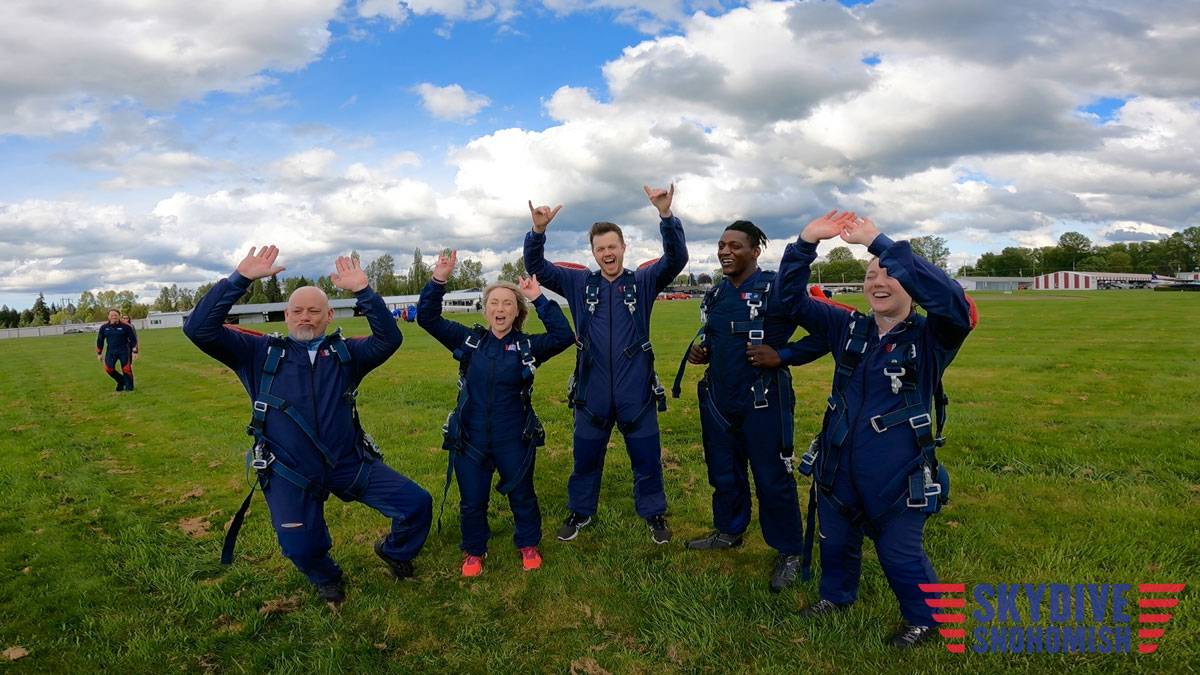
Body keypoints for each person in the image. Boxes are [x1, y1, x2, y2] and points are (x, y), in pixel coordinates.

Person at [183, 246, 432, 606]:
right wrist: (240, 280)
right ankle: (326, 577)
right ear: (286, 315)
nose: (305, 318)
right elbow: (199, 328)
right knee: (299, 544)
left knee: (416, 505)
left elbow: (389, 340)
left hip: (348, 463)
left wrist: (365, 291)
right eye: (297, 311)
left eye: (314, 311)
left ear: (329, 315)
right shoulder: (258, 353)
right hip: (288, 470)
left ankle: (395, 550)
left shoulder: (347, 354)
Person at [778, 211, 976, 648]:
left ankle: (925, 619)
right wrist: (805, 243)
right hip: (839, 460)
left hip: (897, 469)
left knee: (900, 553)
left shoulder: (932, 337)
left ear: (911, 284)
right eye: (871, 275)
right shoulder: (848, 326)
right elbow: (789, 302)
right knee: (835, 537)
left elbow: (954, 302)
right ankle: (836, 596)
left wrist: (880, 244)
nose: (879, 282)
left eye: (891, 275)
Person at [523, 185, 687, 544]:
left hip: (636, 389)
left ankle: (653, 513)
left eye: (613, 246)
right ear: (594, 253)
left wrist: (666, 217)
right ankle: (580, 511)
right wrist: (538, 232)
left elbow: (675, 260)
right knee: (585, 458)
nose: (607, 253)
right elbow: (536, 268)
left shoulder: (642, 281)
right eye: (601, 248)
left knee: (646, 458)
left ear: (624, 248)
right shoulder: (579, 282)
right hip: (591, 389)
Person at [673, 221, 830, 592]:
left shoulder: (779, 290)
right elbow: (714, 337)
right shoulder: (714, 295)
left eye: (735, 246)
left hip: (763, 399)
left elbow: (825, 333)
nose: (725, 251)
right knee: (723, 471)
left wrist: (784, 355)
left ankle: (789, 550)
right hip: (719, 398)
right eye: (721, 245)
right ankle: (729, 530)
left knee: (772, 478)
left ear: (755, 251)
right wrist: (702, 351)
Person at [418, 251, 573, 576]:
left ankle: (528, 544)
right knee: (472, 501)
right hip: (470, 438)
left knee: (523, 495)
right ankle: (474, 550)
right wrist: (438, 281)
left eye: (507, 303)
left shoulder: (528, 346)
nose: (500, 309)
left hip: (513, 437)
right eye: (494, 303)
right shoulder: (469, 340)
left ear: (517, 311)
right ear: (485, 309)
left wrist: (538, 297)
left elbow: (563, 336)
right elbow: (427, 318)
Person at [96, 309, 138, 391]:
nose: (114, 317)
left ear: (119, 316)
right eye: (112, 315)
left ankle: (129, 387)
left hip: (124, 350)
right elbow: (100, 340)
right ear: (108, 317)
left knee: (126, 369)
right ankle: (121, 381)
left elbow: (133, 339)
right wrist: (99, 353)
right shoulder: (104, 328)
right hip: (111, 351)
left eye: (116, 315)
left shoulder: (126, 326)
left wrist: (135, 351)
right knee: (108, 369)